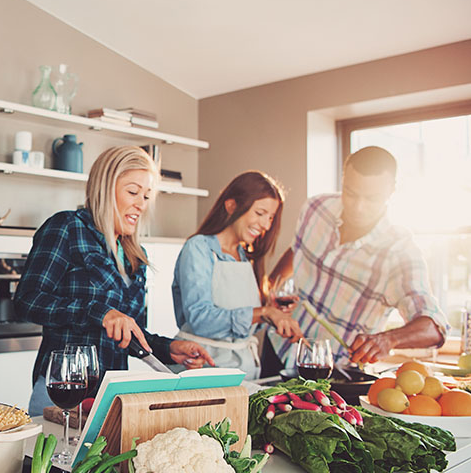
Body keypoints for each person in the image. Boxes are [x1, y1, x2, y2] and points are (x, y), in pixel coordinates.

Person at [14, 145, 214, 415]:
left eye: (146, 196)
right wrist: (100, 312)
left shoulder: (136, 255)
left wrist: (169, 349)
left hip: (113, 395)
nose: (141, 204)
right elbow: (27, 301)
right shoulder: (67, 228)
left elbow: (130, 334)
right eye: (132, 192)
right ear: (105, 188)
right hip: (63, 392)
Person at [269, 146, 449, 366]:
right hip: (279, 346)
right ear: (343, 179)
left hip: (334, 371)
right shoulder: (316, 208)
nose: (358, 207)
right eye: (350, 193)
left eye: (371, 198)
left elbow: (435, 327)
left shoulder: (399, 252)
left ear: (391, 191)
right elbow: (298, 249)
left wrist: (388, 339)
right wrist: (270, 287)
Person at [171, 171, 302, 380]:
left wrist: (271, 314)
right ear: (231, 206)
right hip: (202, 370)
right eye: (260, 213)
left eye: (271, 218)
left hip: (244, 371)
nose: (266, 225)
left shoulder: (245, 256)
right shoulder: (199, 248)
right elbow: (200, 318)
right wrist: (262, 312)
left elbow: (241, 323)